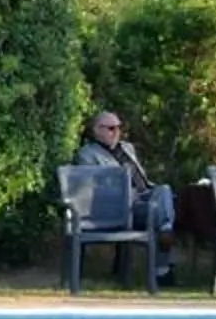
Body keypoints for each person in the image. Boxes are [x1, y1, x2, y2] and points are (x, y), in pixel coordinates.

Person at [72, 108, 176, 284]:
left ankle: (165, 229)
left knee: (165, 192)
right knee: (163, 214)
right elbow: (97, 189)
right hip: (119, 206)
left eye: (119, 128)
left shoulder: (127, 148)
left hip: (145, 199)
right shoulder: (87, 155)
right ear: (97, 130)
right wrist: (132, 194)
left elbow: (142, 178)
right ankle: (162, 271)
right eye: (111, 128)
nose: (116, 132)